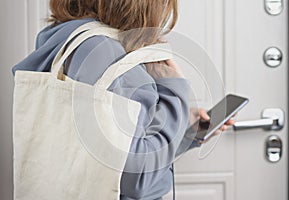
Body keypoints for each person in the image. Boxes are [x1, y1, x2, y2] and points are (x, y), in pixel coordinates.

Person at [12, 0, 235, 199]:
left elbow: (101, 153)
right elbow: (136, 179)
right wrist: (174, 90)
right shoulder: (102, 50)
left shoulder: (61, 34)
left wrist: (183, 129)